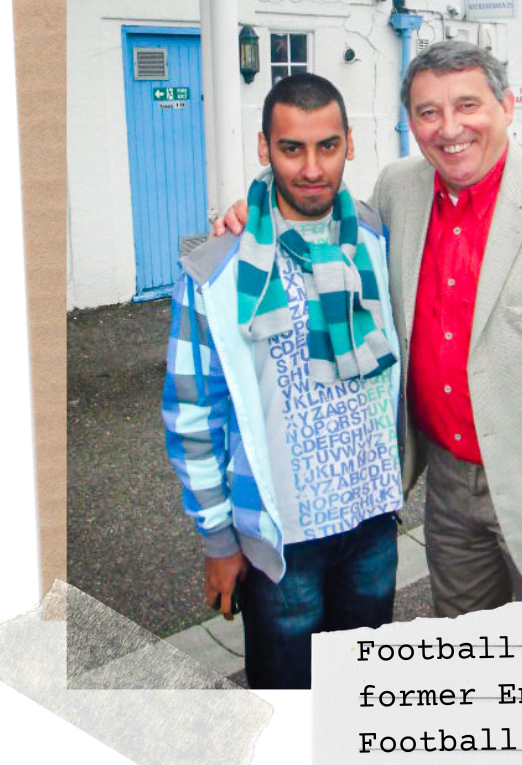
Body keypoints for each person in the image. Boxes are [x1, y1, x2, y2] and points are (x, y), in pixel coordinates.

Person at [219, 42, 522, 618]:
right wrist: (255, 211)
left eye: (468, 105)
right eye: (429, 112)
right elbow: (319, 211)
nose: (450, 129)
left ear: (506, 106)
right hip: (446, 488)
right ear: (411, 123)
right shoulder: (399, 190)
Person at [163, 73, 402, 687]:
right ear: (265, 149)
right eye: (292, 148)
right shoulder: (217, 268)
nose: (313, 167)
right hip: (281, 536)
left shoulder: (373, 238)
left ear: (350, 143)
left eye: (327, 145)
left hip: (372, 518)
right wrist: (218, 540)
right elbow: (193, 414)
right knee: (286, 705)